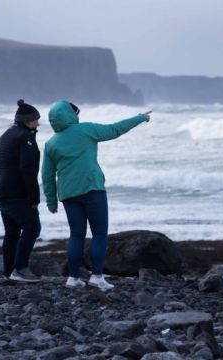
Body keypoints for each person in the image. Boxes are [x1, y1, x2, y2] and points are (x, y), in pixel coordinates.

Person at [42, 100, 151, 290]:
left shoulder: (51, 143)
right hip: (92, 189)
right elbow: (115, 129)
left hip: (68, 193)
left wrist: (51, 202)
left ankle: (73, 278)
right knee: (99, 234)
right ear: (71, 115)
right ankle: (97, 277)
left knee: (76, 235)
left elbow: (47, 175)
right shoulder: (86, 130)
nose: (78, 117)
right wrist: (140, 118)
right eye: (76, 113)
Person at [0, 99, 42, 282]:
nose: (38, 123)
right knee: (32, 227)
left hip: (1, 188)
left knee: (12, 232)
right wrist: (34, 197)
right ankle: (20, 269)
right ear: (28, 120)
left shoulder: (7, 133)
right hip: (16, 191)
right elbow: (26, 169)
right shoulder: (24, 136)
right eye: (36, 119)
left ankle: (7, 272)